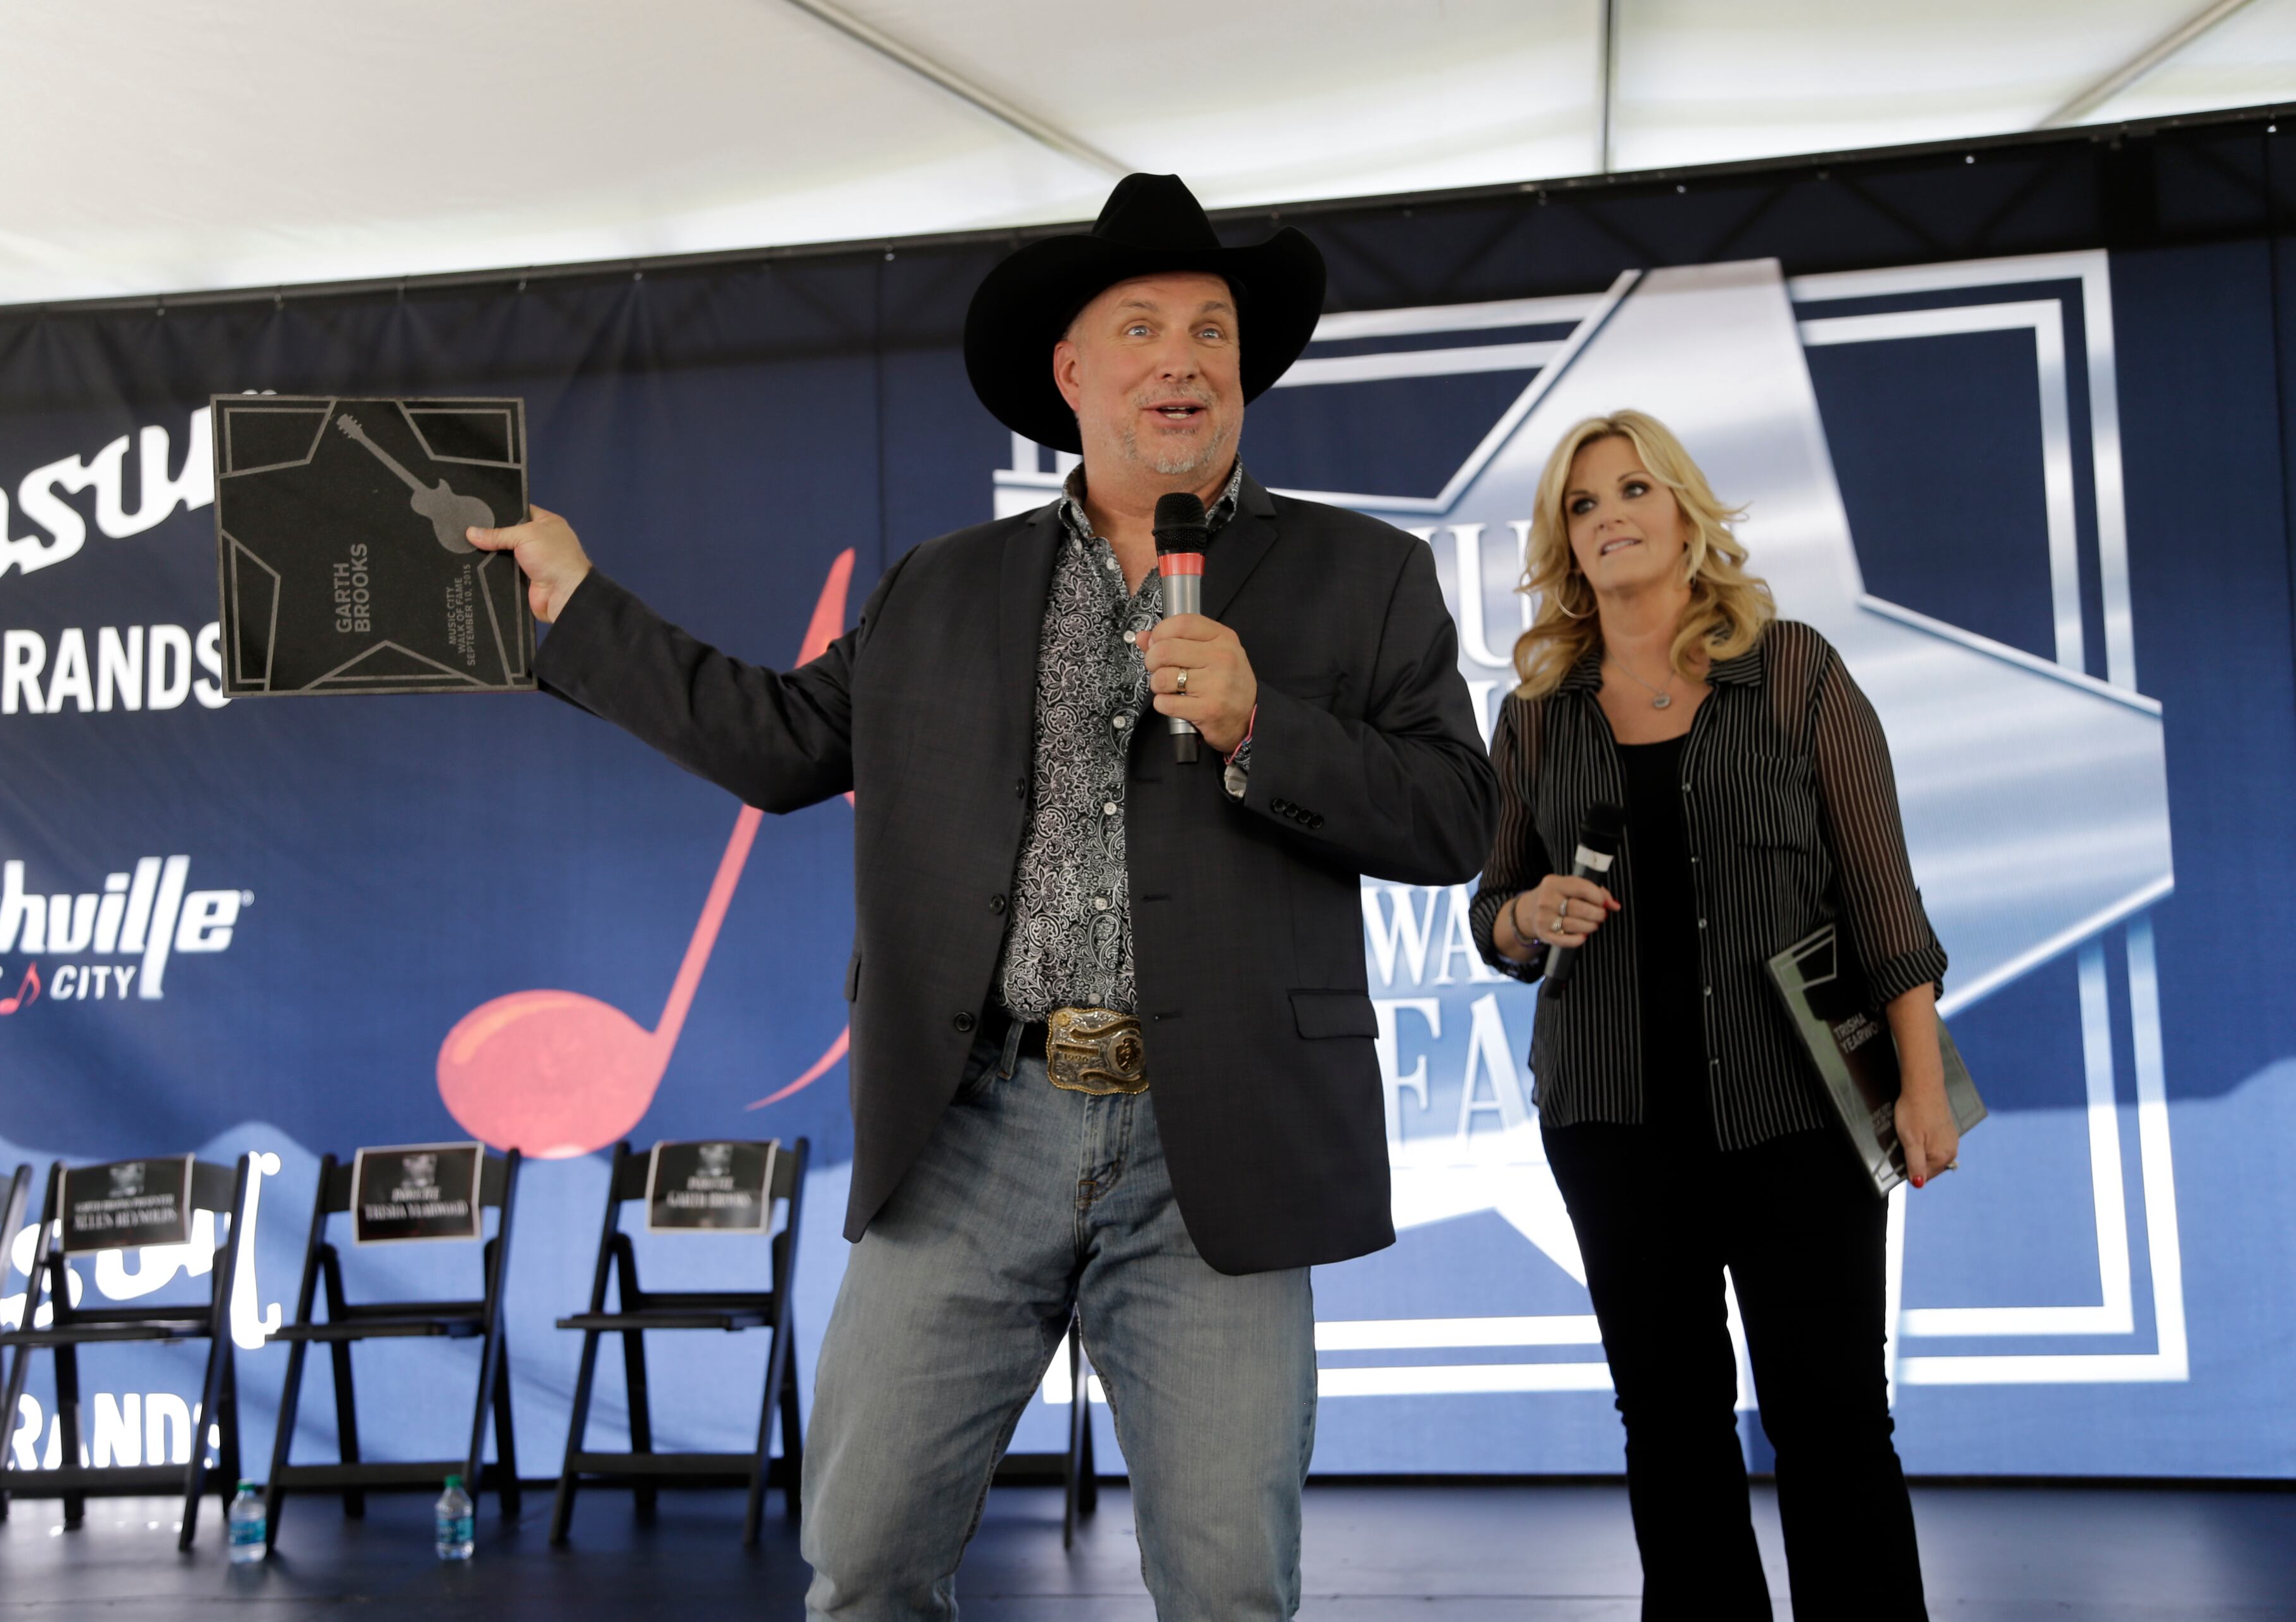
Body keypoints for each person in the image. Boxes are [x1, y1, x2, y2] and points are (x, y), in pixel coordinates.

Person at [472, 173, 1494, 1621]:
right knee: (866, 1560)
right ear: (1070, 373)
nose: (1183, 359)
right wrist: (580, 602)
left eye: (1211, 330)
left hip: (1219, 1142)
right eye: (1141, 328)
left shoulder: (1364, 574)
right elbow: (776, 742)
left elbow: (1457, 814)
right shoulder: (940, 584)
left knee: (1230, 1589)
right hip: (970, 1125)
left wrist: (1267, 721)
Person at [1468, 410, 1956, 1620]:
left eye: (1635, 489)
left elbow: (1882, 897)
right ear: (1564, 543)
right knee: (1670, 1425)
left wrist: (1923, 1086)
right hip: (1612, 1122)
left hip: (1798, 1113)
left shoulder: (1793, 671)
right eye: (1583, 504)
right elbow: (1491, 917)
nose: (1610, 517)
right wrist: (1528, 913)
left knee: (1831, 1415)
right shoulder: (1535, 714)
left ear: (1687, 514)